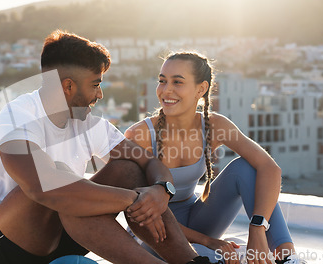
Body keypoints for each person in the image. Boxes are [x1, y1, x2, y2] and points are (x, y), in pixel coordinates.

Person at [0, 30, 218, 264]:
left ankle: (191, 261)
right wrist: (134, 199)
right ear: (68, 86)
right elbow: (41, 188)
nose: (100, 95)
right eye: (96, 85)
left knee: (128, 171)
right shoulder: (17, 116)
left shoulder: (89, 125)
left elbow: (149, 163)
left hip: (63, 235)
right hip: (0, 247)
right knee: (62, 182)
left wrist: (162, 191)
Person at [125, 52, 304, 264]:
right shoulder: (140, 135)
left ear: (201, 89)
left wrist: (257, 227)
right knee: (221, 259)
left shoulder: (214, 126)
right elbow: (139, 211)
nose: (166, 90)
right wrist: (209, 242)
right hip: (154, 232)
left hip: (196, 219)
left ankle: (286, 256)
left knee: (245, 168)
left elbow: (270, 168)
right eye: (162, 81)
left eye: (177, 82)